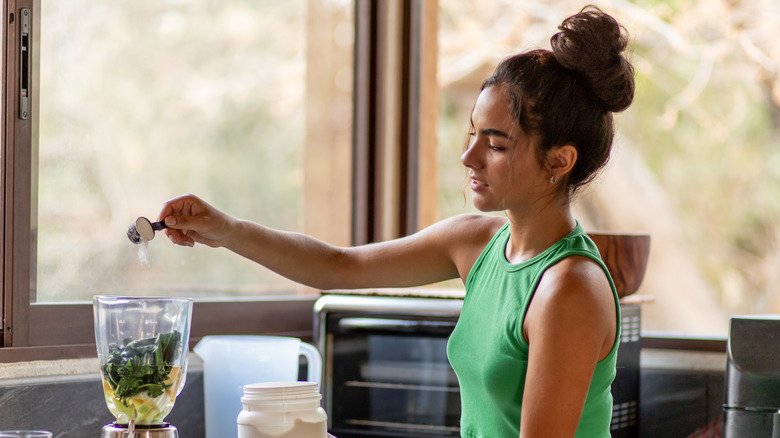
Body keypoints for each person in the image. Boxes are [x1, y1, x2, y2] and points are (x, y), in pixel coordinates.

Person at [157, 5, 634, 437]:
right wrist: (225, 230)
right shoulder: (479, 242)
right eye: (471, 133)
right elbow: (338, 267)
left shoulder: (569, 290)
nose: (468, 157)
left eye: (496, 144)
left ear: (560, 160)